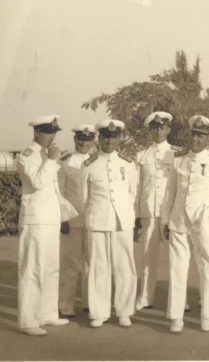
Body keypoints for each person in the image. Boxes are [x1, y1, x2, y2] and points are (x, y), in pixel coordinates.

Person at [162, 115, 209, 333]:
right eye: (194, 134)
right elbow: (169, 193)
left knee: (208, 267)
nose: (195, 139)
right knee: (176, 268)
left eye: (201, 136)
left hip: (204, 222)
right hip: (179, 220)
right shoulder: (179, 159)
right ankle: (176, 317)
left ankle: (207, 315)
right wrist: (166, 220)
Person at [17, 115, 77, 336]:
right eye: (48, 132)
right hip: (35, 220)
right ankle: (27, 320)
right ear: (36, 133)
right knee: (32, 269)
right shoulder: (28, 155)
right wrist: (51, 160)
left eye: (54, 133)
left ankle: (47, 314)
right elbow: (39, 183)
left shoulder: (46, 154)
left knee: (51, 268)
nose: (52, 137)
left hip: (50, 218)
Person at [79, 120, 138, 328]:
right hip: (97, 220)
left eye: (114, 137)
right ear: (99, 139)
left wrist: (125, 213)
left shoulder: (128, 163)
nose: (109, 141)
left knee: (124, 266)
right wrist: (93, 215)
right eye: (105, 137)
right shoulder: (89, 165)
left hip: (122, 221)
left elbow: (132, 193)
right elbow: (83, 198)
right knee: (98, 266)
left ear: (120, 138)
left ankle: (124, 311)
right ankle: (99, 312)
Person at [134, 111, 182, 311]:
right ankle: (145, 297)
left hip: (170, 212)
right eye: (154, 128)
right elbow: (136, 187)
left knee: (177, 257)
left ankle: (179, 300)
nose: (158, 132)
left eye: (162, 128)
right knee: (147, 256)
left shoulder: (177, 153)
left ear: (168, 129)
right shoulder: (141, 155)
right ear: (150, 130)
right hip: (149, 211)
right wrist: (136, 215)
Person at [57, 124, 96, 318]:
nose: (83, 143)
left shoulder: (98, 161)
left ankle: (90, 303)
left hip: (94, 219)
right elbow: (60, 193)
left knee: (93, 262)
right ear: (75, 140)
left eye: (88, 140)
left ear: (93, 141)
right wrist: (62, 218)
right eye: (80, 139)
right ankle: (65, 304)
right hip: (71, 219)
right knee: (70, 263)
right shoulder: (65, 161)